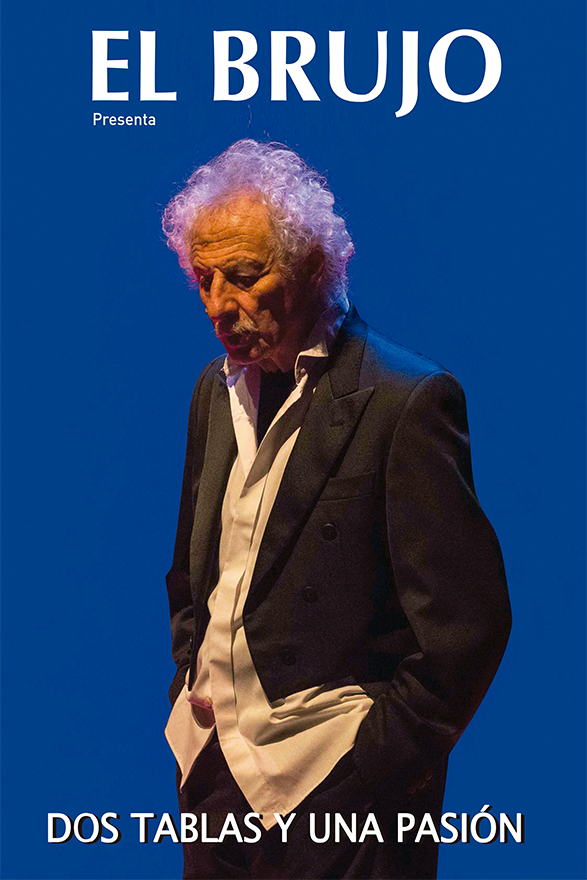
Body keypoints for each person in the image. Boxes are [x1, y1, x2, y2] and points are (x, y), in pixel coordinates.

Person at [161, 139, 511, 880]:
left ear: (314, 264)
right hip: (214, 775)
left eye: (244, 276)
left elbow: (466, 626)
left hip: (338, 786)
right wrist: (190, 681)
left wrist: (378, 764)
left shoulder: (405, 400)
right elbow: (195, 576)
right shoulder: (212, 393)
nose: (218, 304)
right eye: (204, 278)